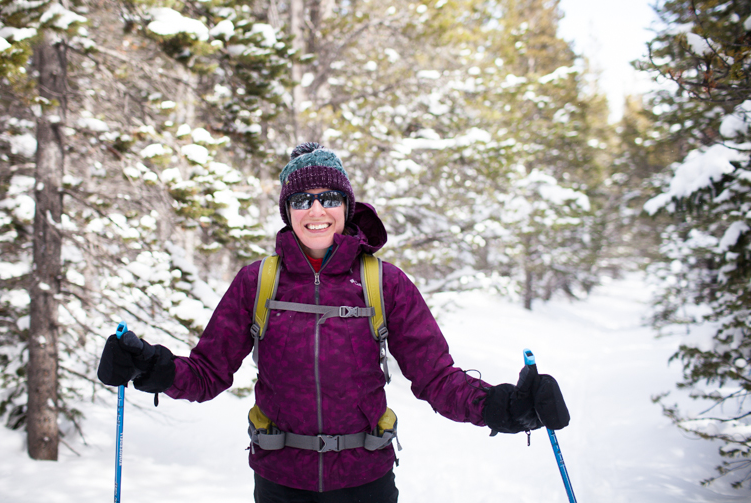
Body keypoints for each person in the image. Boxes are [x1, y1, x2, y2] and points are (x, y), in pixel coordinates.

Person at [97, 142, 569, 502]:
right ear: (287, 211)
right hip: (281, 483)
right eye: (301, 199)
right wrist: (148, 366)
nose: (316, 210)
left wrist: (507, 407)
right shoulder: (257, 281)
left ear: (346, 205)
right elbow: (206, 374)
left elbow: (437, 378)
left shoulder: (384, 283)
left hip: (366, 482)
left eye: (328, 198)